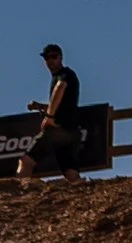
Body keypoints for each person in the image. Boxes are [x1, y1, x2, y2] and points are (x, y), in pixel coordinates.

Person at [21, 43, 83, 183]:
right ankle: (86, 196)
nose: (50, 61)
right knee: (70, 170)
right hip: (71, 131)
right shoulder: (65, 76)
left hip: (57, 128)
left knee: (26, 161)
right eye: (47, 58)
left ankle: (18, 196)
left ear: (60, 58)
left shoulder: (64, 75)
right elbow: (63, 104)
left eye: (53, 57)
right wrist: (41, 106)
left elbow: (60, 88)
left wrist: (49, 117)